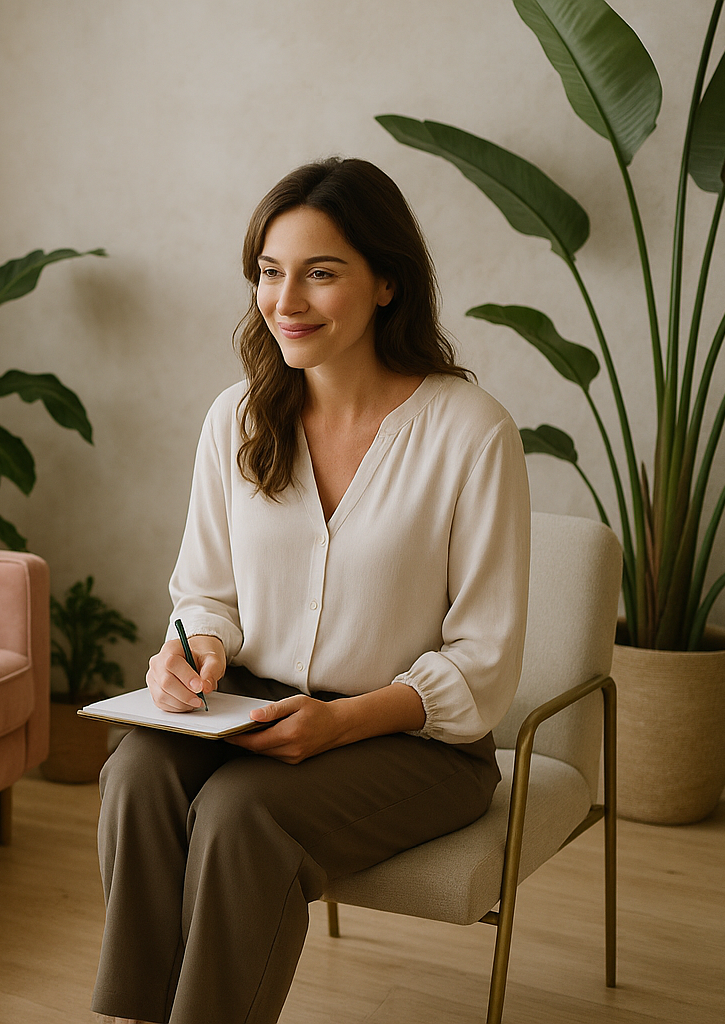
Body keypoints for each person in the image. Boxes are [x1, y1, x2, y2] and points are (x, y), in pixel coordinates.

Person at [93, 158, 530, 1024]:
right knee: (136, 772)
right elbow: (203, 593)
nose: (285, 300)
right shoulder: (238, 417)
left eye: (320, 274)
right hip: (253, 707)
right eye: (268, 271)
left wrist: (342, 721)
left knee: (240, 816)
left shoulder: (471, 433)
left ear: (386, 285)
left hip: (419, 742)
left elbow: (484, 663)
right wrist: (197, 651)